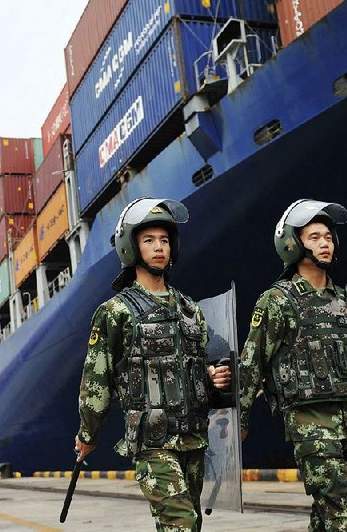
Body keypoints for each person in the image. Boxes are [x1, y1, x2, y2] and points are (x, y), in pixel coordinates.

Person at [238, 199, 347, 531]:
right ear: (292, 243)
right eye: (314, 236)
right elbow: (251, 363)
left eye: (328, 237)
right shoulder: (277, 301)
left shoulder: (344, 301)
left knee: (327, 516)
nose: (324, 243)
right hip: (311, 428)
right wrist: (236, 421)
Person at [74, 197, 231, 531]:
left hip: (193, 438)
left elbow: (196, 365)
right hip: (153, 442)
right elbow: (95, 381)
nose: (159, 247)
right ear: (131, 247)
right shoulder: (116, 312)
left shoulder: (191, 309)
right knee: (181, 522)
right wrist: (89, 433)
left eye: (164, 240)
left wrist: (211, 376)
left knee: (188, 523)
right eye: (148, 240)